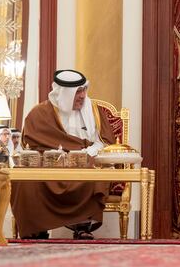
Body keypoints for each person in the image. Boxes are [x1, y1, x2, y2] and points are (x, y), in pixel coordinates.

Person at [11, 70, 115, 239]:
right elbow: (32, 146)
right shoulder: (40, 113)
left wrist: (87, 152)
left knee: (92, 173)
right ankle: (36, 229)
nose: (82, 96)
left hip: (84, 161)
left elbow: (104, 142)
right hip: (50, 164)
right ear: (63, 94)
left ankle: (82, 226)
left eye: (84, 90)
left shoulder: (94, 111)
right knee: (25, 179)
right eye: (77, 92)